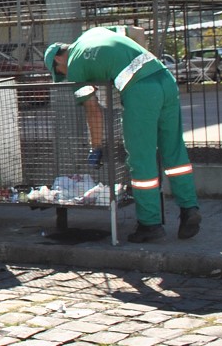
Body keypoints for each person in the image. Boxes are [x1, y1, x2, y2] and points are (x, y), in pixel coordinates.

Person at [44, 26, 201, 243]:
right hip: (164, 78)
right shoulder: (94, 32)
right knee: (174, 152)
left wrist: (96, 146)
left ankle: (150, 224)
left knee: (141, 158)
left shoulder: (75, 66)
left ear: (59, 60)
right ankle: (189, 209)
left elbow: (93, 110)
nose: (64, 76)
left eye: (59, 73)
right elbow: (138, 32)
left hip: (141, 92)